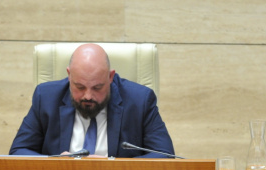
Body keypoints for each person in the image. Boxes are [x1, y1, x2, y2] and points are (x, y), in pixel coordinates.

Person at [9, 43, 174, 158]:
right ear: (69, 75)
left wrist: (112, 165)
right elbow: (18, 151)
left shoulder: (140, 100)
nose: (87, 96)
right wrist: (54, 162)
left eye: (97, 88)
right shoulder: (46, 97)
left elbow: (164, 155)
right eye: (79, 87)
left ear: (110, 77)